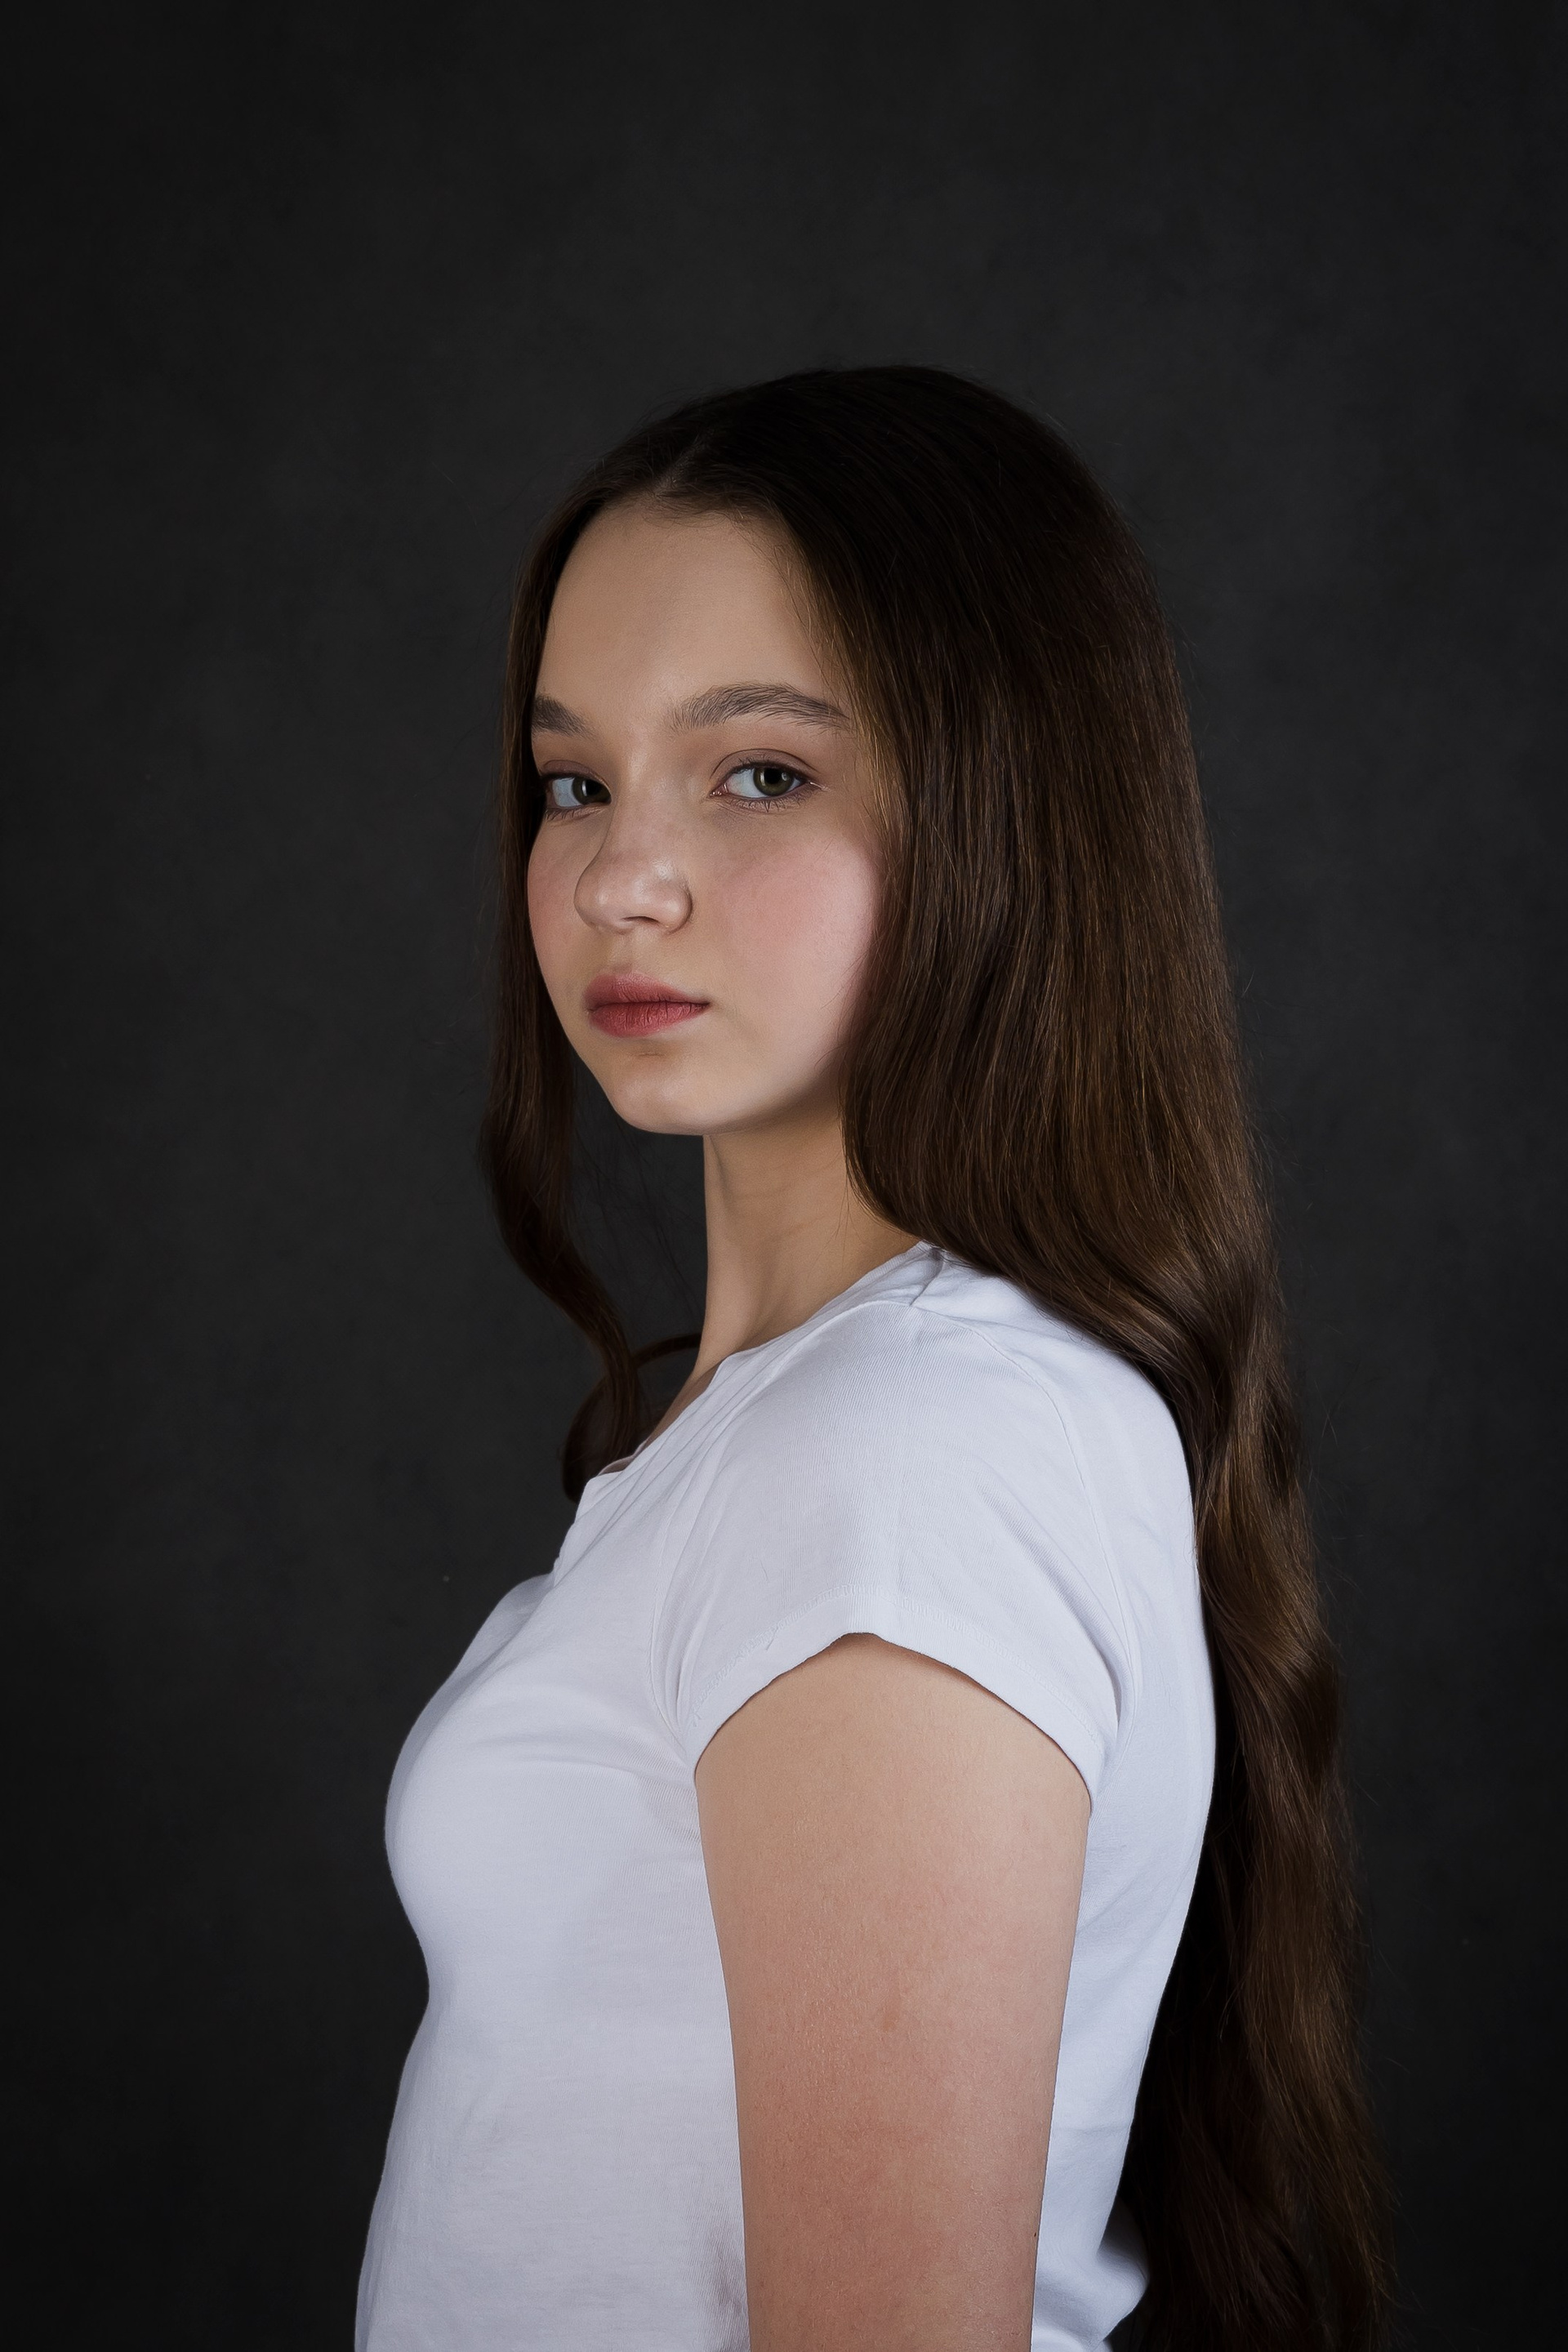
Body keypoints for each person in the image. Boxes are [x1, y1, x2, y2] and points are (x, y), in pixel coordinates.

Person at [354, 368, 1389, 2352]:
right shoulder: (823, 1421)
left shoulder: (906, 1450)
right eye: (575, 781)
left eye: (758, 774)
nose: (618, 878)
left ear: (1004, 809)